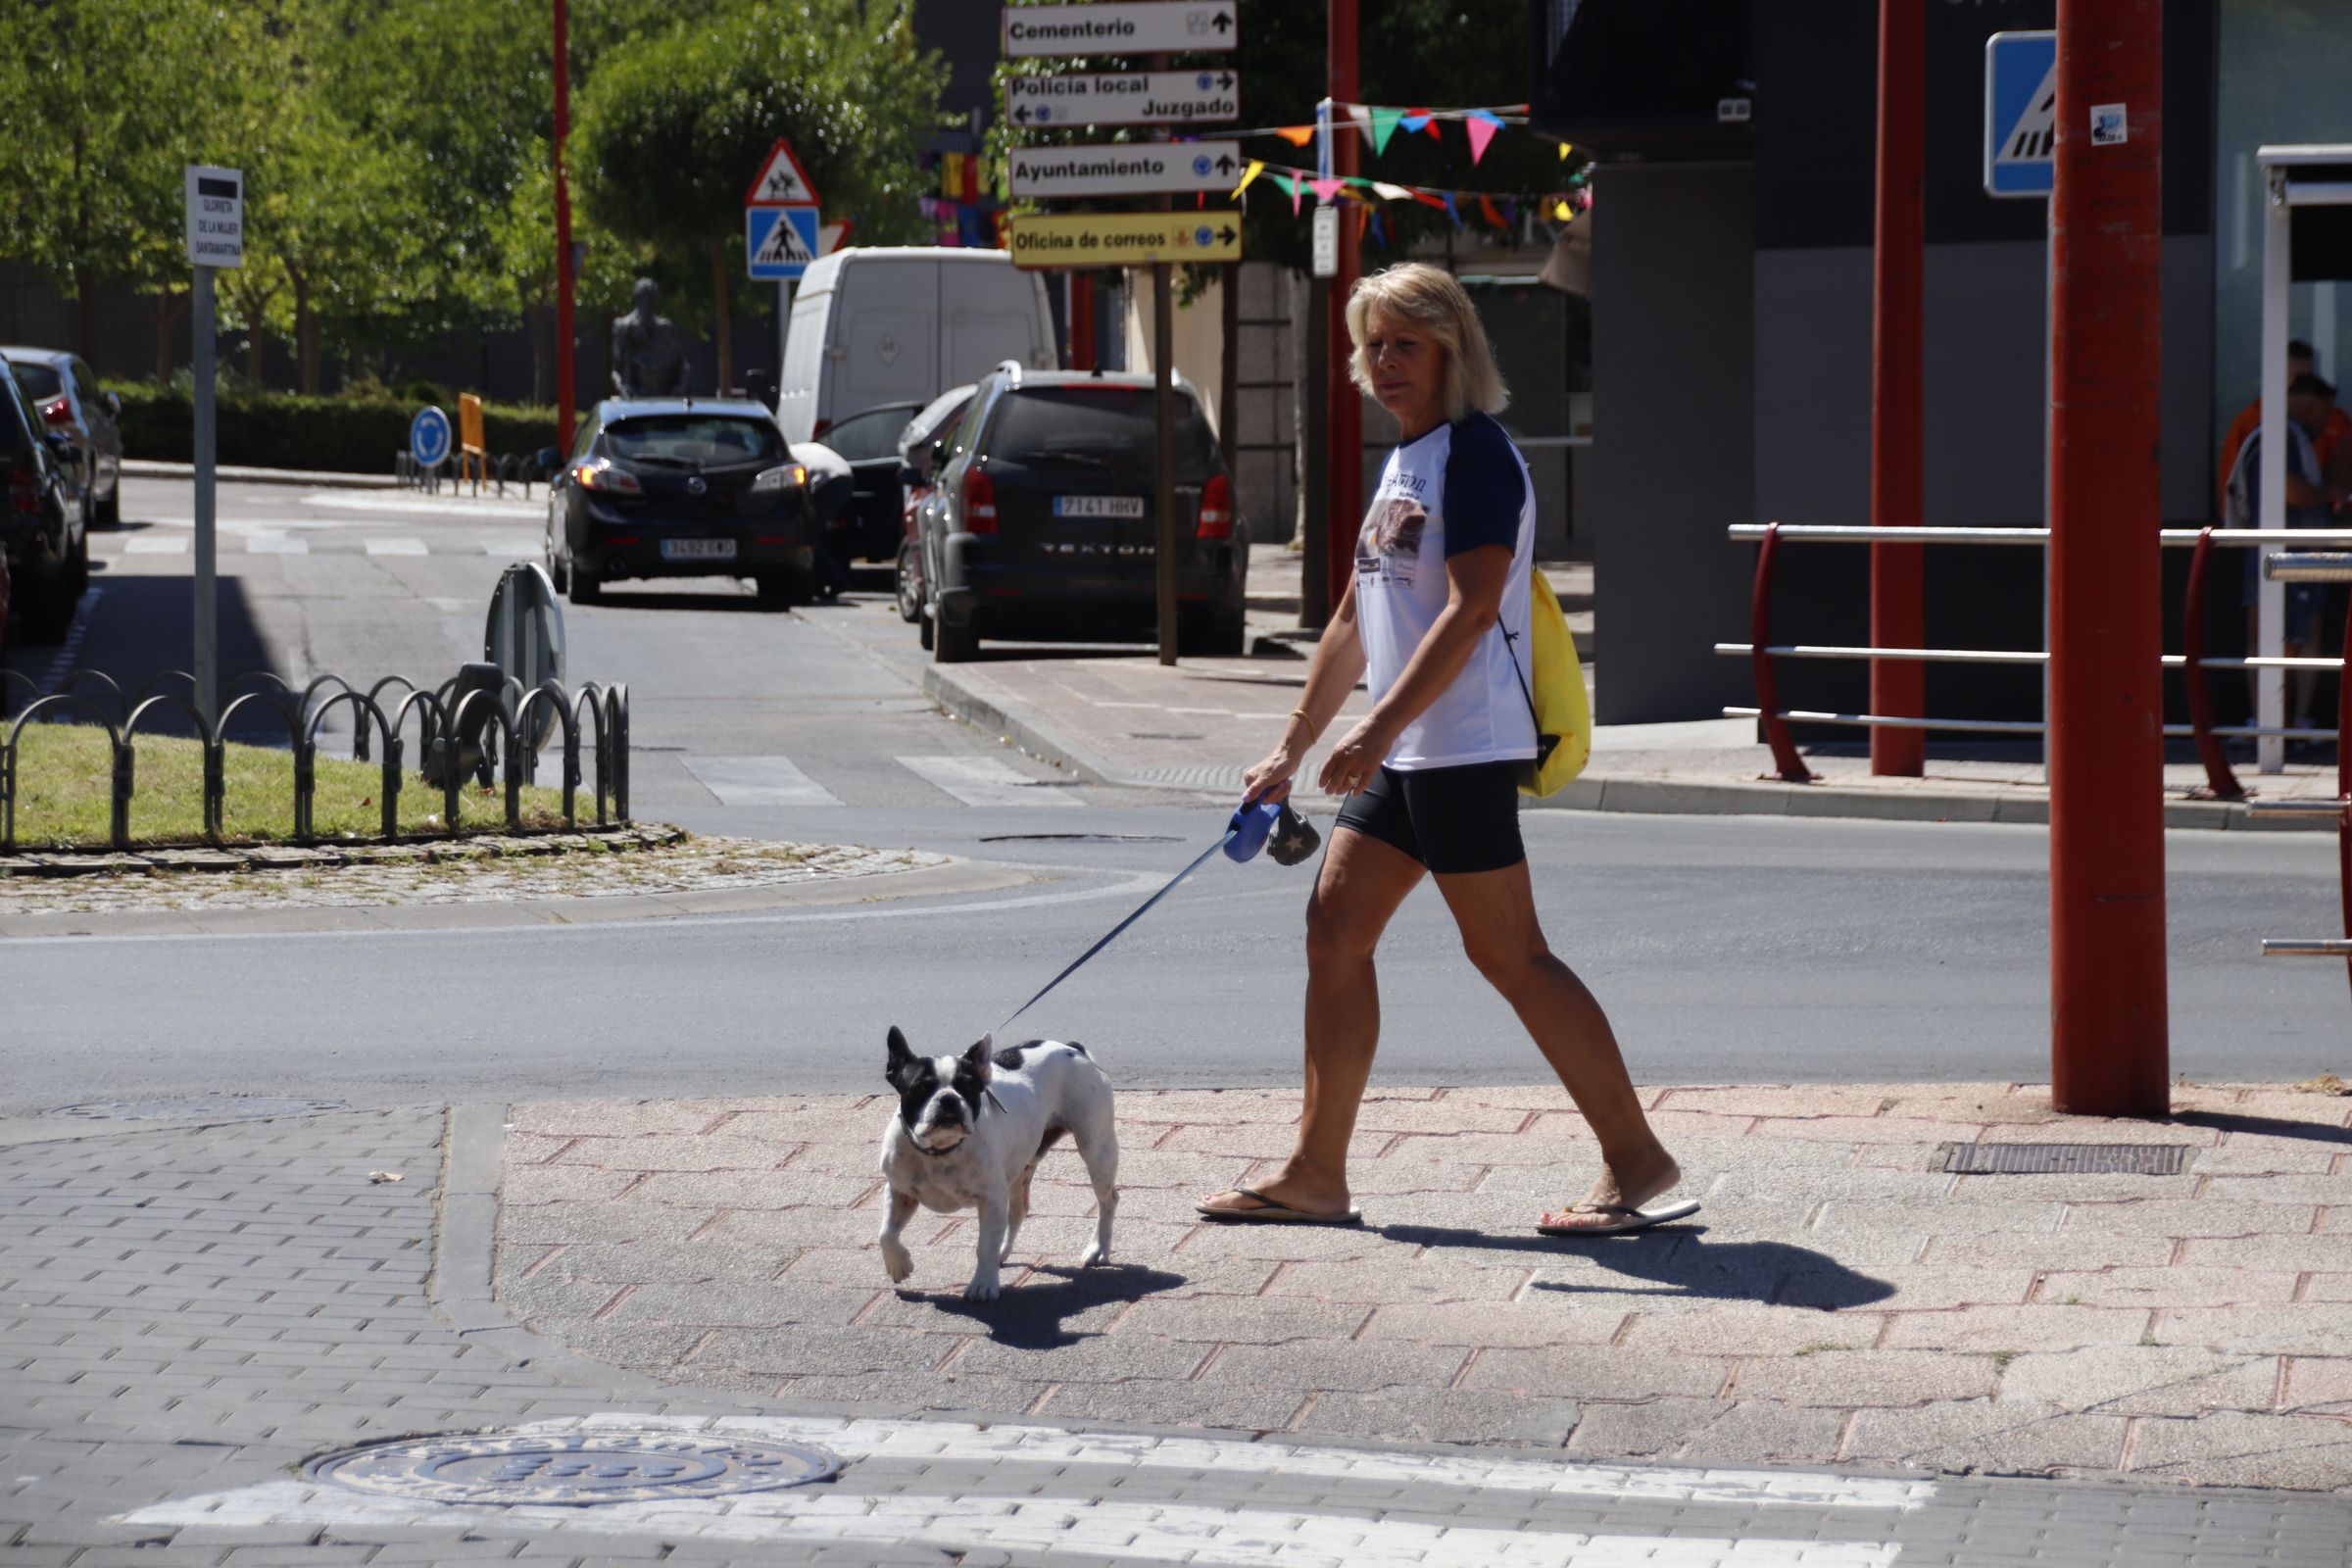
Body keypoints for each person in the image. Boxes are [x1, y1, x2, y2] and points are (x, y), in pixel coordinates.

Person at [1194, 264, 1688, 1237]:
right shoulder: (1406, 460)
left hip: (1459, 746)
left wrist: (1375, 729)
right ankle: (1316, 1172)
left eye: (1405, 344)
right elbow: (1350, 618)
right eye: (1373, 345)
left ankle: (1638, 1159)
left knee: (1511, 956)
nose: (1385, 362)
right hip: (1406, 755)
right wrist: (1290, 747)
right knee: (1333, 936)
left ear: (1452, 351)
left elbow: (1468, 611)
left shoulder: (1478, 455)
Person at [2226, 371, 2344, 730]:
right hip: (2288, 553)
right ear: (2309, 408)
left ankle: (2280, 722)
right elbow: (2291, 491)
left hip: (2278, 551)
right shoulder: (2281, 438)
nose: (2325, 426)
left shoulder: (2268, 435)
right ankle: (2280, 724)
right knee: (2286, 635)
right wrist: (2333, 491)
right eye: (2324, 416)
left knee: (2281, 634)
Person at [2218, 340, 2352, 516]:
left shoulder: (2333, 419)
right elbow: (2232, 488)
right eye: (2298, 378)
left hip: (2320, 527)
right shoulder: (2253, 425)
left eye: (2309, 376)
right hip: (2272, 532)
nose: (2306, 384)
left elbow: (2336, 482)